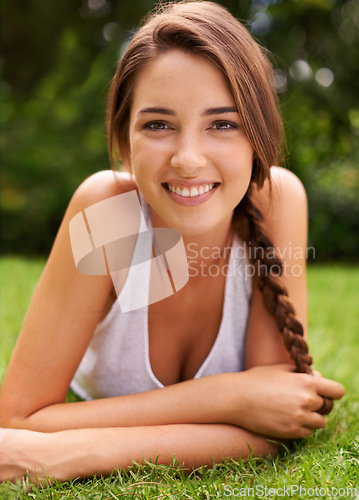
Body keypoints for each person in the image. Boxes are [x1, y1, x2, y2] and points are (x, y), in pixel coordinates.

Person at [0, 0, 345, 485]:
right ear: (123, 141)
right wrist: (228, 398)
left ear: (258, 139)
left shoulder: (277, 199)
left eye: (223, 124)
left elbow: (275, 426)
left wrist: (66, 454)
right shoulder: (112, 215)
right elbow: (17, 422)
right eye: (158, 124)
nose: (188, 158)